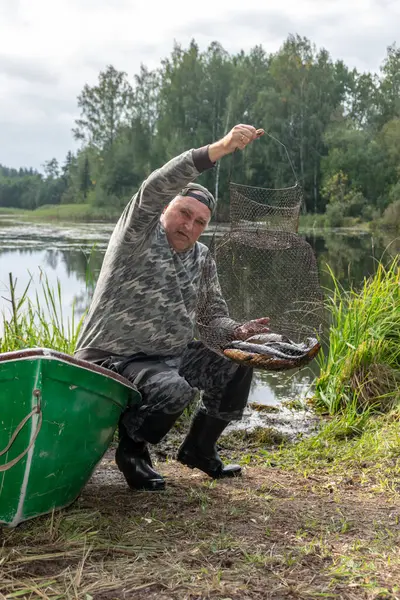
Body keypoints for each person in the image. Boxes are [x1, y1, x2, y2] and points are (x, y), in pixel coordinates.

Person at [74, 124, 270, 491]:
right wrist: (220, 148)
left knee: (238, 362)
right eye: (183, 212)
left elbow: (213, 318)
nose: (189, 225)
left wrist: (237, 333)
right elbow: (157, 183)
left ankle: (199, 449)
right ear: (166, 208)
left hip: (169, 356)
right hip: (113, 357)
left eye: (199, 222)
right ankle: (132, 452)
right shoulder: (137, 234)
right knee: (174, 390)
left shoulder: (203, 257)